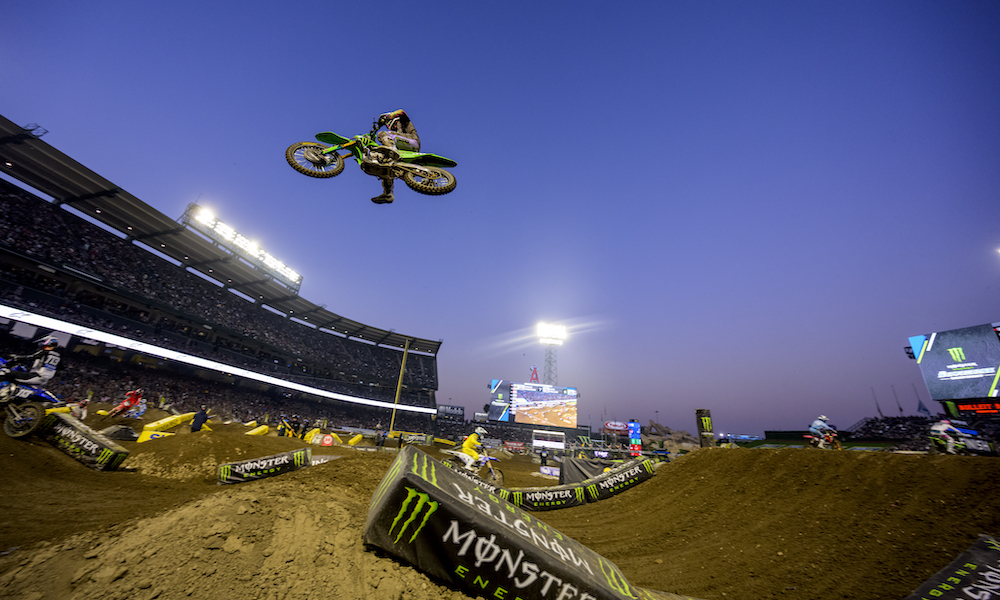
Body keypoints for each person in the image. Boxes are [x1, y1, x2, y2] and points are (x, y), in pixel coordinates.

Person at [370, 109, 420, 204]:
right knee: (386, 165)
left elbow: (401, 111)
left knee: (382, 134)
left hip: (412, 140)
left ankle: (392, 149)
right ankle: (388, 194)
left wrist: (387, 117)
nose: (392, 127)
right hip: (405, 149)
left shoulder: (403, 120)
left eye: (391, 125)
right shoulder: (395, 135)